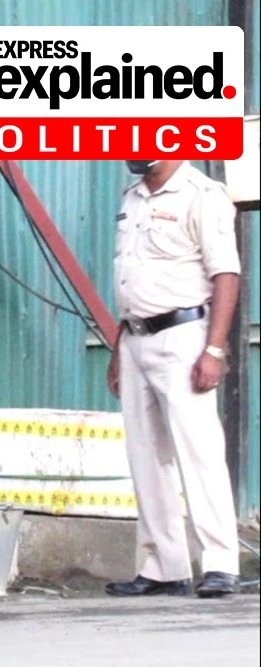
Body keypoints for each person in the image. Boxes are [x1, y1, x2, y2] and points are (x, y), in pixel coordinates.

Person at [104, 159, 241, 599]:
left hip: (183, 338)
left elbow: (226, 274)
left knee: (198, 454)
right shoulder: (132, 197)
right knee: (145, 457)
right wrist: (118, 349)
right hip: (135, 337)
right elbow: (132, 279)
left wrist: (214, 349)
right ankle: (164, 567)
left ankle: (220, 564)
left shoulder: (202, 195)